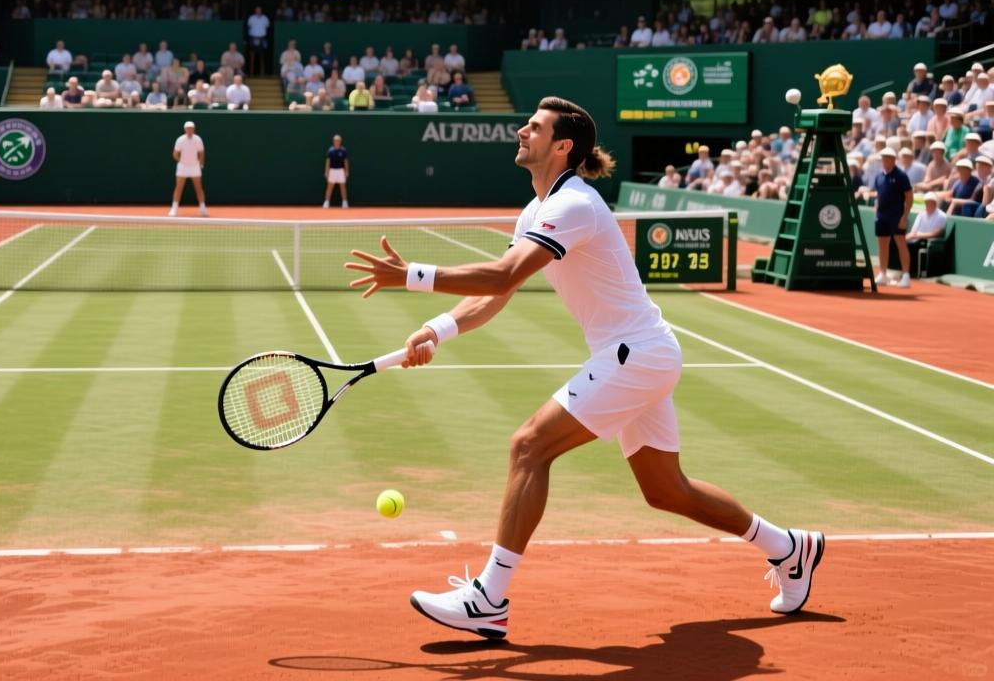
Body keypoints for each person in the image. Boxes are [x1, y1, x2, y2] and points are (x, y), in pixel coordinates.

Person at [344, 97, 823, 641]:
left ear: (562, 145)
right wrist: (437, 329)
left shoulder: (574, 204)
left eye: (536, 126)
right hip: (641, 353)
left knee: (529, 445)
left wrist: (414, 276)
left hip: (635, 354)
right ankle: (790, 548)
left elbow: (502, 276)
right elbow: (499, 294)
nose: (522, 130)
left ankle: (489, 598)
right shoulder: (538, 209)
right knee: (667, 491)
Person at [870, 148, 912, 287]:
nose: (885, 160)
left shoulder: (901, 176)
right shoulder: (878, 177)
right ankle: (883, 274)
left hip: (897, 216)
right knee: (882, 245)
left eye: (888, 157)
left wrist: (904, 216)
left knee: (901, 244)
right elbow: (879, 195)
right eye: (883, 157)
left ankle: (906, 275)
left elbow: (909, 197)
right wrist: (877, 210)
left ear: (894, 159)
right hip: (882, 217)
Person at [170, 120, 207, 217]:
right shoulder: (180, 140)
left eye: (191, 128)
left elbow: (201, 152)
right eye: (188, 129)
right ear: (185, 129)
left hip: (195, 166)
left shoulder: (198, 139)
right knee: (178, 188)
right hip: (183, 167)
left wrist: (201, 164)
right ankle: (174, 209)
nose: (189, 130)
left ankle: (203, 209)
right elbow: (175, 153)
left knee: (199, 188)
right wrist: (181, 161)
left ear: (193, 129)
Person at [323, 134, 350, 208]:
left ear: (340, 141)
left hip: (341, 170)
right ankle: (326, 202)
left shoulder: (343, 150)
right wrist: (326, 171)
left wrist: (347, 171)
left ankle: (344, 203)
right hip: (332, 171)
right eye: (335, 140)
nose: (337, 142)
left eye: (338, 140)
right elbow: (328, 161)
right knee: (329, 187)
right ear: (333, 141)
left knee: (343, 187)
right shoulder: (330, 150)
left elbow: (346, 161)